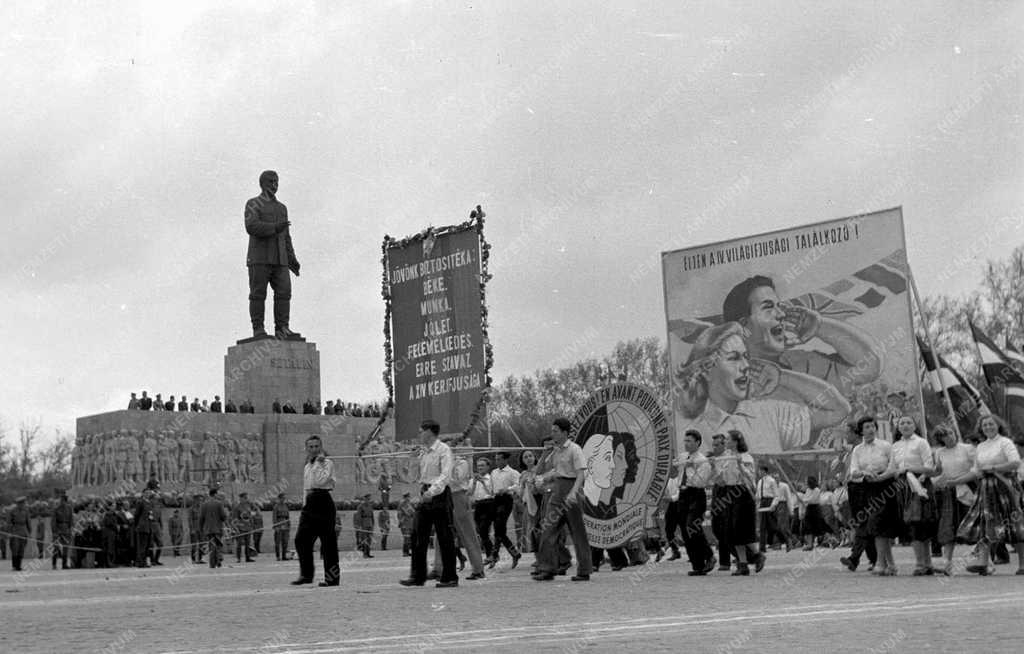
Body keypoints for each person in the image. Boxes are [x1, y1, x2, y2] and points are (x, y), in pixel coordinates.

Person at [674, 322, 850, 454]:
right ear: (706, 370)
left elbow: (838, 409)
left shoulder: (771, 414)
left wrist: (782, 377)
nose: (745, 366)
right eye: (734, 358)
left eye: (745, 357)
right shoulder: (691, 431)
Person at [719, 274, 882, 398]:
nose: (781, 314)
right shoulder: (727, 380)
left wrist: (820, 326)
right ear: (743, 325)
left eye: (779, 307)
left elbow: (870, 367)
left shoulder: (803, 364)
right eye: (768, 308)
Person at [957, 414, 1024, 575]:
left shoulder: (1005, 442)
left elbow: (1015, 462)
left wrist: (994, 468)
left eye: (991, 424)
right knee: (986, 522)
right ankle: (983, 563)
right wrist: (955, 481)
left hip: (1004, 486)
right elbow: (976, 471)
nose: (988, 427)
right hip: (986, 487)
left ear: (998, 425)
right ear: (981, 428)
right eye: (984, 425)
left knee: (1014, 524)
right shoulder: (980, 446)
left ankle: (1022, 565)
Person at [400, 419, 459, 588]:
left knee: (445, 537)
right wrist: (412, 459)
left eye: (421, 431)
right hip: (424, 493)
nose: (419, 434)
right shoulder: (423, 452)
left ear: (430, 432)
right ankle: (417, 576)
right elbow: (414, 476)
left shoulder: (444, 450)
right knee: (418, 535)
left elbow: (445, 475)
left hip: (439, 496)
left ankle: (450, 577)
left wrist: (431, 492)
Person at [533, 418, 593, 582]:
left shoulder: (575, 449)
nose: (552, 434)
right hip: (557, 492)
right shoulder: (555, 451)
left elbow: (581, 473)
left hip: (572, 490)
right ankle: (547, 568)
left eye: (555, 431)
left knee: (577, 531)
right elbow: (556, 471)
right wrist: (544, 478)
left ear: (565, 433)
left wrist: (574, 492)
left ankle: (584, 570)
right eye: (552, 431)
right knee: (547, 528)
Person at [245, 170, 300, 338]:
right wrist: (275, 227)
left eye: (276, 182)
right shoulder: (253, 203)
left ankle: (282, 328)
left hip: (280, 259)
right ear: (262, 184)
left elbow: (286, 236)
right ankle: (258, 329)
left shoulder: (282, 208)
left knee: (284, 293)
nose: (275, 185)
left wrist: (292, 259)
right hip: (259, 258)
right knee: (258, 294)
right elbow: (251, 226)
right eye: (271, 182)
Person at [848, 416, 899, 576]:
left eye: (872, 426)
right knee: (876, 525)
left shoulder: (885, 446)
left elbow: (893, 467)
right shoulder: (857, 450)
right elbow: (853, 472)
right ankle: (889, 564)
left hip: (886, 486)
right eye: (866, 427)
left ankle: (880, 563)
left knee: (879, 523)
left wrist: (881, 477)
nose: (870, 429)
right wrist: (864, 473)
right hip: (867, 488)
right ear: (861, 431)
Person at [711, 429, 765, 576]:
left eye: (728, 439)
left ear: (735, 442)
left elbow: (750, 478)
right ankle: (743, 564)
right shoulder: (726, 458)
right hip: (729, 493)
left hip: (742, 494)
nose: (725, 442)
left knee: (743, 529)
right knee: (731, 530)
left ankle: (757, 554)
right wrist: (713, 466)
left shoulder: (746, 458)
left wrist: (740, 464)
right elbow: (721, 482)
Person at [890, 415, 936, 575]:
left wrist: (912, 470)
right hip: (903, 488)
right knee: (912, 524)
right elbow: (892, 469)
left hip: (920, 486)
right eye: (902, 423)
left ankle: (922, 563)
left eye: (909, 422)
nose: (905, 425)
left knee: (921, 523)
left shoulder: (921, 442)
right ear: (898, 427)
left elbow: (930, 467)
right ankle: (925, 563)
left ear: (915, 426)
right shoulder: (895, 446)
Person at [293, 435, 339, 586]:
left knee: (328, 543)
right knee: (301, 540)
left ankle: (331, 579)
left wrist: (319, 464)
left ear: (321, 447)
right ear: (306, 449)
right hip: (310, 503)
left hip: (323, 500)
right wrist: (304, 505)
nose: (313, 449)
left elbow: (320, 481)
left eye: (316, 446)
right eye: (310, 447)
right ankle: (306, 575)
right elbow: (306, 487)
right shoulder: (307, 466)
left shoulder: (328, 463)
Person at [931, 425, 975, 575]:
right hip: (950, 492)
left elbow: (976, 470)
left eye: (950, 433)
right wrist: (927, 477)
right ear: (940, 439)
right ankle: (946, 562)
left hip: (969, 488)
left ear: (955, 433)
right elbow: (938, 471)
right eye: (945, 435)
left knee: (972, 525)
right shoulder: (939, 452)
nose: (949, 436)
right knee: (948, 526)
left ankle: (985, 561)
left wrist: (958, 481)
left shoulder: (968, 448)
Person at [441, 445, 486, 580]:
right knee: (441, 534)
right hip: (444, 498)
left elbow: (456, 479)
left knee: (468, 534)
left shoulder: (462, 462)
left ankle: (478, 568)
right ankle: (438, 568)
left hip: (458, 496)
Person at [677, 429, 716, 575]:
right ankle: (698, 565)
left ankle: (709, 555)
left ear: (697, 442)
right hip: (683, 494)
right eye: (685, 441)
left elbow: (701, 482)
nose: (686, 444)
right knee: (685, 531)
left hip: (696, 494)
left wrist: (691, 467)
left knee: (692, 525)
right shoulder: (683, 456)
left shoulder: (702, 460)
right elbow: (678, 475)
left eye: (689, 441)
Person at [489, 452, 522, 569]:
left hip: (506, 499)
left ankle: (494, 555)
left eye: (499, 459)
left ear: (505, 460)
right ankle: (514, 553)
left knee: (499, 527)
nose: (497, 461)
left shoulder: (512, 472)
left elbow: (519, 485)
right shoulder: (493, 472)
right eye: (496, 459)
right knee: (499, 530)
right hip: (495, 499)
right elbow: (491, 487)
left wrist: (507, 489)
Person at [470, 457, 496, 567]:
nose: (480, 468)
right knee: (481, 532)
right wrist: (475, 482)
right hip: (478, 505)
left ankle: (491, 555)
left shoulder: (491, 479)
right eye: (478, 466)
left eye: (482, 465)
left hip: (488, 504)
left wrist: (483, 482)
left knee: (484, 529)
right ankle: (491, 555)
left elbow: (491, 492)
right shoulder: (473, 480)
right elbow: (469, 493)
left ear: (488, 467)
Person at [199, 487, 228, 569]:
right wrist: (225, 519)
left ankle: (212, 563)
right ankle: (218, 560)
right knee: (218, 545)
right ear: (215, 494)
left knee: (211, 546)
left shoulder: (204, 504)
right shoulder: (219, 504)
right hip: (218, 529)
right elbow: (223, 516)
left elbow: (201, 518)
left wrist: (201, 529)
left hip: (208, 529)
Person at [133, 486, 160, 568]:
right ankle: (140, 562)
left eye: (149, 493)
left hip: (148, 527)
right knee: (142, 546)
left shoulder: (149, 503)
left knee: (147, 546)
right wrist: (138, 525)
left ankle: (144, 561)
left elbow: (150, 515)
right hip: (142, 527)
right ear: (143, 494)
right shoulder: (140, 502)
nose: (148, 494)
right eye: (146, 493)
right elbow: (137, 515)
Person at [50, 493, 73, 570]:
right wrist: (55, 532)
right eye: (61, 500)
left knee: (66, 547)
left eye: (63, 501)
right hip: (58, 530)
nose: (62, 502)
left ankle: (64, 564)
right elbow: (53, 521)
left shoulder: (69, 508)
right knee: (56, 547)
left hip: (66, 530)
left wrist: (70, 529)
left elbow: (71, 520)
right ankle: (54, 564)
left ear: (66, 501)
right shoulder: (56, 509)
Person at [231, 493, 255, 563]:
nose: (246, 499)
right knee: (239, 544)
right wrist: (236, 528)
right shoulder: (237, 507)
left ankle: (248, 557)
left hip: (248, 527)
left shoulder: (248, 506)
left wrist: (252, 525)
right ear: (241, 498)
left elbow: (250, 516)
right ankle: (238, 558)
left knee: (248, 543)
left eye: (246, 498)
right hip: (240, 527)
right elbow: (235, 519)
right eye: (245, 498)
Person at [8, 497, 30, 571]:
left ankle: (19, 566)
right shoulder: (12, 511)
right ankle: (14, 566)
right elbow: (9, 522)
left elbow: (28, 522)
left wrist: (29, 532)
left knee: (21, 549)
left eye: (23, 503)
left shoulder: (26, 511)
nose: (22, 505)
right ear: (18, 504)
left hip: (23, 531)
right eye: (21, 503)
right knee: (15, 548)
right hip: (15, 530)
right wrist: (10, 532)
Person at [354, 494, 375, 558]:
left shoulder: (370, 506)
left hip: (369, 523)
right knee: (364, 539)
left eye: (369, 499)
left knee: (369, 539)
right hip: (363, 523)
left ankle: (368, 553)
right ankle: (364, 554)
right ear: (364, 499)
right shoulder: (360, 506)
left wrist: (373, 524)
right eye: (367, 499)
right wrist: (359, 525)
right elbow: (359, 516)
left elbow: (372, 516)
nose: (368, 500)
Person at [272, 493, 291, 561]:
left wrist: (289, 525)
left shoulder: (286, 506)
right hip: (279, 526)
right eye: (282, 498)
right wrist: (276, 526)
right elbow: (274, 517)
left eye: (284, 498)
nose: (284, 499)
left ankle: (284, 556)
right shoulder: (276, 506)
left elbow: (288, 517)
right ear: (279, 498)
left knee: (285, 542)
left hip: (285, 526)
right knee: (277, 542)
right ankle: (278, 556)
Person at [188, 493, 206, 564]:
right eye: (198, 500)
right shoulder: (191, 509)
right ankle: (193, 559)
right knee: (194, 545)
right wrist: (191, 529)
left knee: (202, 544)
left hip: (201, 529)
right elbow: (190, 520)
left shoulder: (202, 509)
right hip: (194, 529)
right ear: (195, 500)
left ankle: (200, 558)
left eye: (201, 500)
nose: (200, 502)